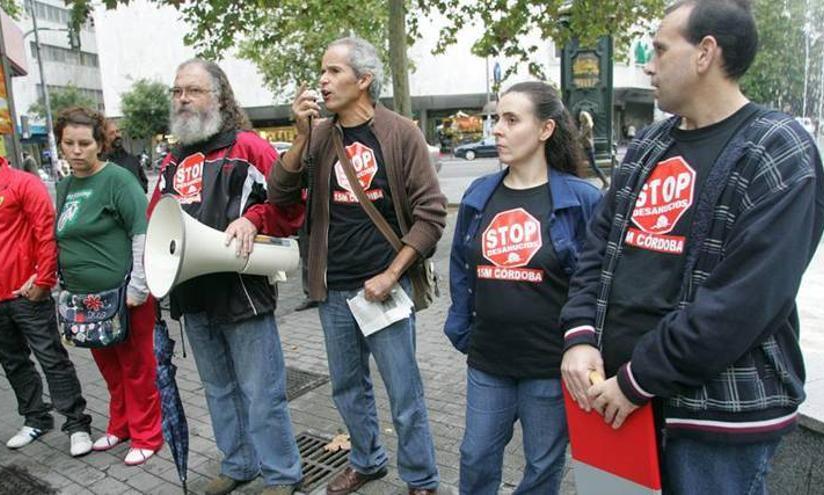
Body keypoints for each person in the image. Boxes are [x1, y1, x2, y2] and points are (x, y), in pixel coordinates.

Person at [560, 1, 824, 493]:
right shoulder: (650, 144)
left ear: (705, 53)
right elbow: (597, 246)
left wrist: (640, 378)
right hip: (615, 401)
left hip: (711, 422)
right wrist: (579, 337)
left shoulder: (777, 149)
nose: (649, 63)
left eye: (660, 49)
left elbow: (743, 301)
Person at [269, 37, 445, 495]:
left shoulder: (401, 133)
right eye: (322, 71)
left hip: (384, 289)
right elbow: (280, 196)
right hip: (333, 290)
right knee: (347, 388)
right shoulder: (321, 135)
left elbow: (431, 215)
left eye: (333, 72)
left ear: (363, 80)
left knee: (404, 394)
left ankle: (421, 478)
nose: (322, 81)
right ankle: (367, 461)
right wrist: (301, 137)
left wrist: (392, 274)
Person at [148, 58, 305, 495]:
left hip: (242, 293)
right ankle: (238, 464)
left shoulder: (249, 147)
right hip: (194, 295)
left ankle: (282, 475)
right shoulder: (172, 162)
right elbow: (158, 221)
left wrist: (255, 219)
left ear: (219, 97)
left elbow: (291, 202)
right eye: (177, 90)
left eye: (193, 90)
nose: (182, 98)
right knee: (218, 390)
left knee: (262, 393)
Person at [445, 82, 601, 494]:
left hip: (549, 366)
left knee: (543, 467)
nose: (497, 129)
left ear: (546, 129)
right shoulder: (480, 194)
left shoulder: (582, 199)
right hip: (488, 360)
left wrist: (583, 346)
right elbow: (462, 265)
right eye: (497, 118)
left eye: (512, 120)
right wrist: (461, 327)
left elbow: (598, 281)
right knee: (475, 456)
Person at [0, 117, 93, 456]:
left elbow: (46, 234)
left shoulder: (22, 184)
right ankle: (36, 418)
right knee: (13, 362)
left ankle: (76, 424)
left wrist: (43, 281)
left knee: (52, 359)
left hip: (27, 292)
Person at [53, 107, 163, 466]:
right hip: (85, 300)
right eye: (68, 143)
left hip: (124, 295)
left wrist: (139, 287)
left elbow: (141, 232)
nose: (76, 150)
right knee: (110, 367)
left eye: (84, 143)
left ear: (99, 143)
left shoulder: (118, 179)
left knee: (136, 366)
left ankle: (148, 434)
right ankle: (122, 425)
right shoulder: (65, 185)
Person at [103, 120, 148, 192]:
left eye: (117, 131)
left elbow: (144, 185)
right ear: (104, 138)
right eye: (111, 133)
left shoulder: (133, 160)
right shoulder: (100, 162)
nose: (117, 135)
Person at [577, 110, 609, 188]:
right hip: (584, 147)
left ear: (584, 118)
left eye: (581, 116)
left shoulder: (588, 126)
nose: (579, 118)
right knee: (578, 164)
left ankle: (605, 181)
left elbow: (581, 136)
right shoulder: (583, 125)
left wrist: (575, 139)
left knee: (594, 166)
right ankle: (579, 181)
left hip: (588, 147)